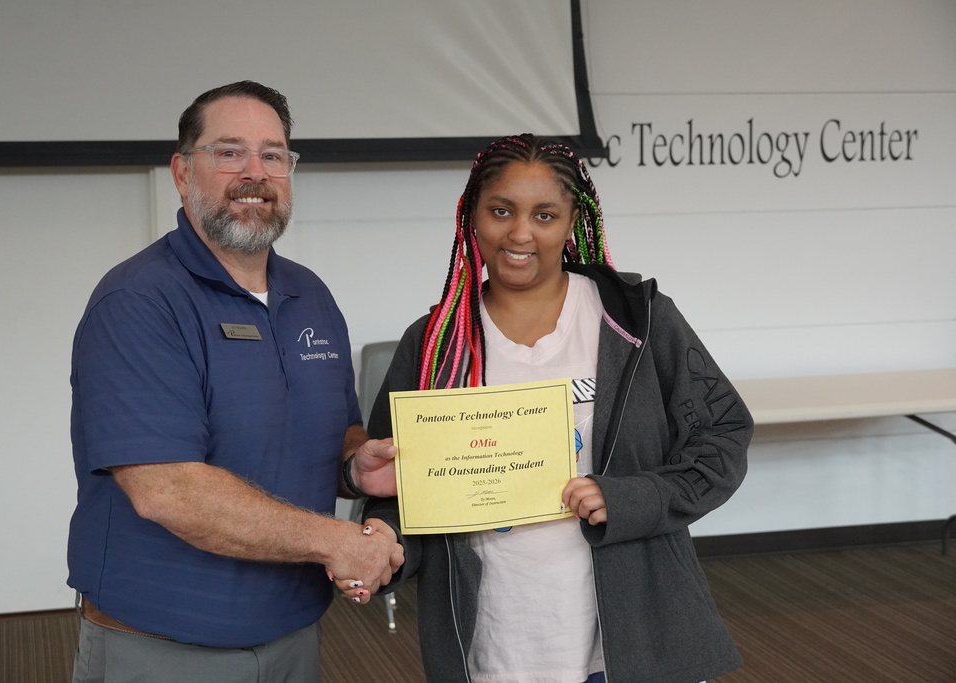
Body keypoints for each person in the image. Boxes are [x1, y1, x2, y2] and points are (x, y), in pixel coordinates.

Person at [336, 134, 753, 683]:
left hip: (635, 638)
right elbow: (405, 488)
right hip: (499, 643)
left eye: (545, 215)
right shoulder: (436, 342)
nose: (520, 233)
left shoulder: (637, 320)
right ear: (472, 216)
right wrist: (385, 539)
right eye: (501, 211)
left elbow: (723, 437)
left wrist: (629, 498)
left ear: (573, 221)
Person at [66, 80, 400, 683]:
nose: (255, 173)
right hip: (163, 641)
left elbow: (331, 431)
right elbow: (168, 490)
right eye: (229, 152)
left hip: (294, 629)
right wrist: (339, 541)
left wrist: (355, 466)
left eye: (273, 155)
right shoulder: (138, 300)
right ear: (182, 172)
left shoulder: (310, 294)